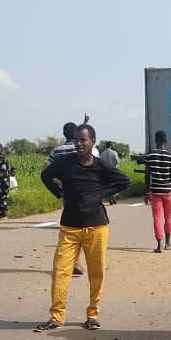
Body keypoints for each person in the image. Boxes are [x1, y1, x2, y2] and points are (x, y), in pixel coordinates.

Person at [35, 123, 129, 332]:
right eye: (77, 139)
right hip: (69, 227)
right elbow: (45, 176)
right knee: (60, 271)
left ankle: (92, 315)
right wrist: (59, 192)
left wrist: (103, 192)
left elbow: (124, 181)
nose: (79, 144)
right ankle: (56, 317)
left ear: (92, 142)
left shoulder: (100, 165)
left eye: (83, 140)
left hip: (96, 228)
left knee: (96, 273)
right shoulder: (64, 162)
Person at [47, 117, 97, 275]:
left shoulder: (57, 150)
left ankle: (72, 261)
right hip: (86, 195)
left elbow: (47, 171)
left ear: (63, 133)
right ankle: (75, 261)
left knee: (70, 226)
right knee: (83, 227)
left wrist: (59, 187)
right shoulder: (85, 148)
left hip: (67, 194)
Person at [144, 130, 171, 253]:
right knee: (168, 217)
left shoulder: (150, 155)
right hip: (168, 192)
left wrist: (146, 193)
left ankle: (159, 245)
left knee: (157, 218)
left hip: (155, 192)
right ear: (166, 140)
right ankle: (168, 243)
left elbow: (147, 175)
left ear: (155, 140)